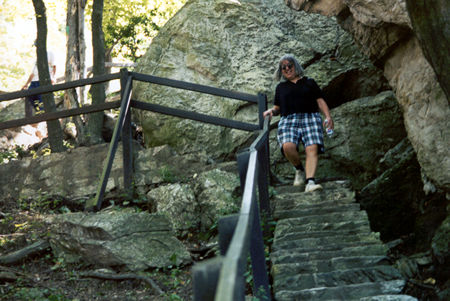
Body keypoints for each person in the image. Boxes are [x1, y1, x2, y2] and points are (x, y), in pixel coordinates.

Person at [263, 54, 334, 193]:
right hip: (289, 120)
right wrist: (271, 111)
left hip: (310, 117)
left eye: (290, 65)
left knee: (312, 148)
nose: (287, 69)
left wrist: (328, 117)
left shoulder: (309, 82)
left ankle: (310, 182)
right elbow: (277, 108)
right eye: (284, 68)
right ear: (281, 71)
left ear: (296, 66)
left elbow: (320, 101)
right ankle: (299, 169)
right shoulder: (281, 87)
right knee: (288, 146)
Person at [22, 41, 56, 117]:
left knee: (41, 99)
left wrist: (53, 77)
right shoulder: (38, 58)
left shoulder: (49, 53)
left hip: (42, 81)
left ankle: (43, 116)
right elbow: (33, 73)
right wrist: (26, 84)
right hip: (34, 82)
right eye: (35, 46)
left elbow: (54, 66)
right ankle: (39, 114)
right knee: (30, 96)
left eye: (37, 46)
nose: (36, 48)